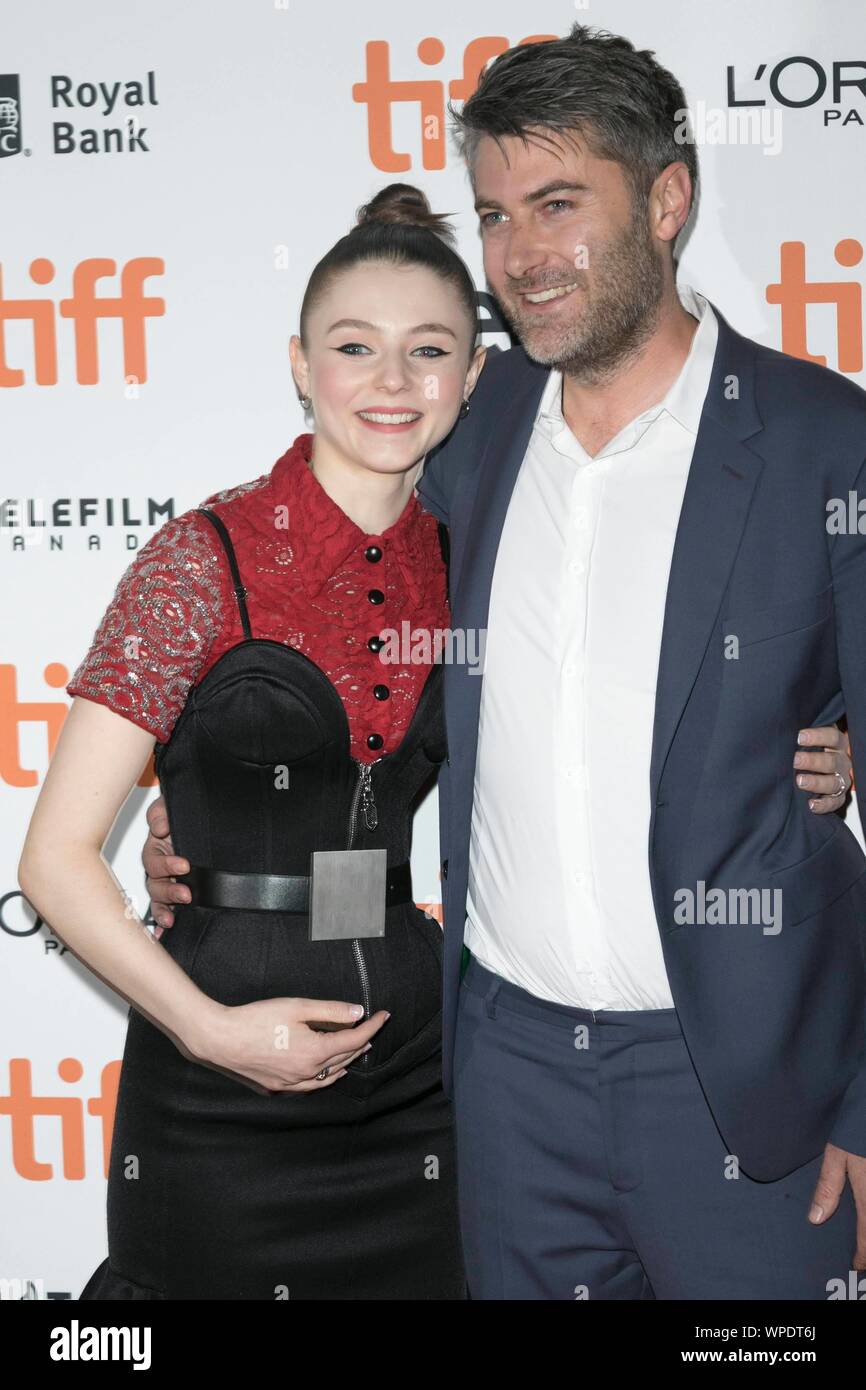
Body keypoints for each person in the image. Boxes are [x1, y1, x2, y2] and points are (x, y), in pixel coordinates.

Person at [150, 24, 865, 1300]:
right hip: (504, 1083)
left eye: (556, 205)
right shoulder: (459, 434)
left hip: (746, 1090)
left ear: (666, 197)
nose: (521, 258)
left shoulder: (822, 440)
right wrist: (205, 810)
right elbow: (337, 636)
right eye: (492, 217)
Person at [18, 183, 487, 1300]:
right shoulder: (200, 559)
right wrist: (207, 1031)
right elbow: (51, 861)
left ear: (471, 377)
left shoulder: (478, 564)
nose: (389, 382)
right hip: (213, 1101)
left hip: (418, 1091)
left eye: (427, 350)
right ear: (297, 362)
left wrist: (813, 740)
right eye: (352, 346)